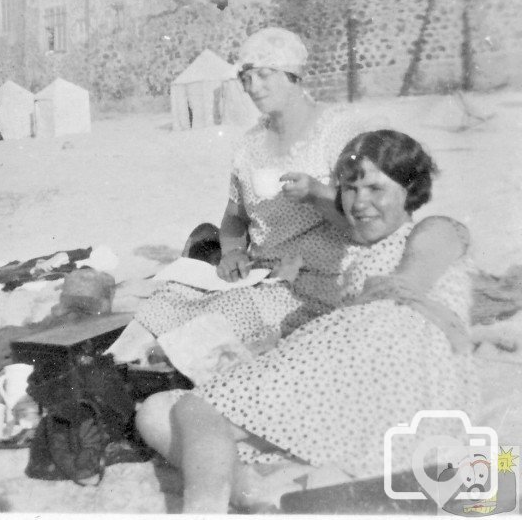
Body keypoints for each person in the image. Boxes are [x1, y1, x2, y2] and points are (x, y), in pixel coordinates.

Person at [138, 130, 478, 513]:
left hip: (390, 372)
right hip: (367, 390)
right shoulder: (354, 257)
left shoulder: (436, 229)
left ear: (410, 190)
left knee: (195, 410)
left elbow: (416, 268)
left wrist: (407, 290)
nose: (360, 202)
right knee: (155, 412)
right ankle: (255, 494)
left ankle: (208, 508)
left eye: (375, 188)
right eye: (350, 189)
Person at [135, 27, 371, 348]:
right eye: (246, 78)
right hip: (260, 276)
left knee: (221, 318)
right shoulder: (250, 144)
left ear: (293, 75)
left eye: (264, 75)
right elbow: (235, 217)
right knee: (161, 303)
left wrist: (319, 195)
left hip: (316, 279)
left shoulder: (338, 132)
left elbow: (367, 227)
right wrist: (231, 252)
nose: (253, 87)